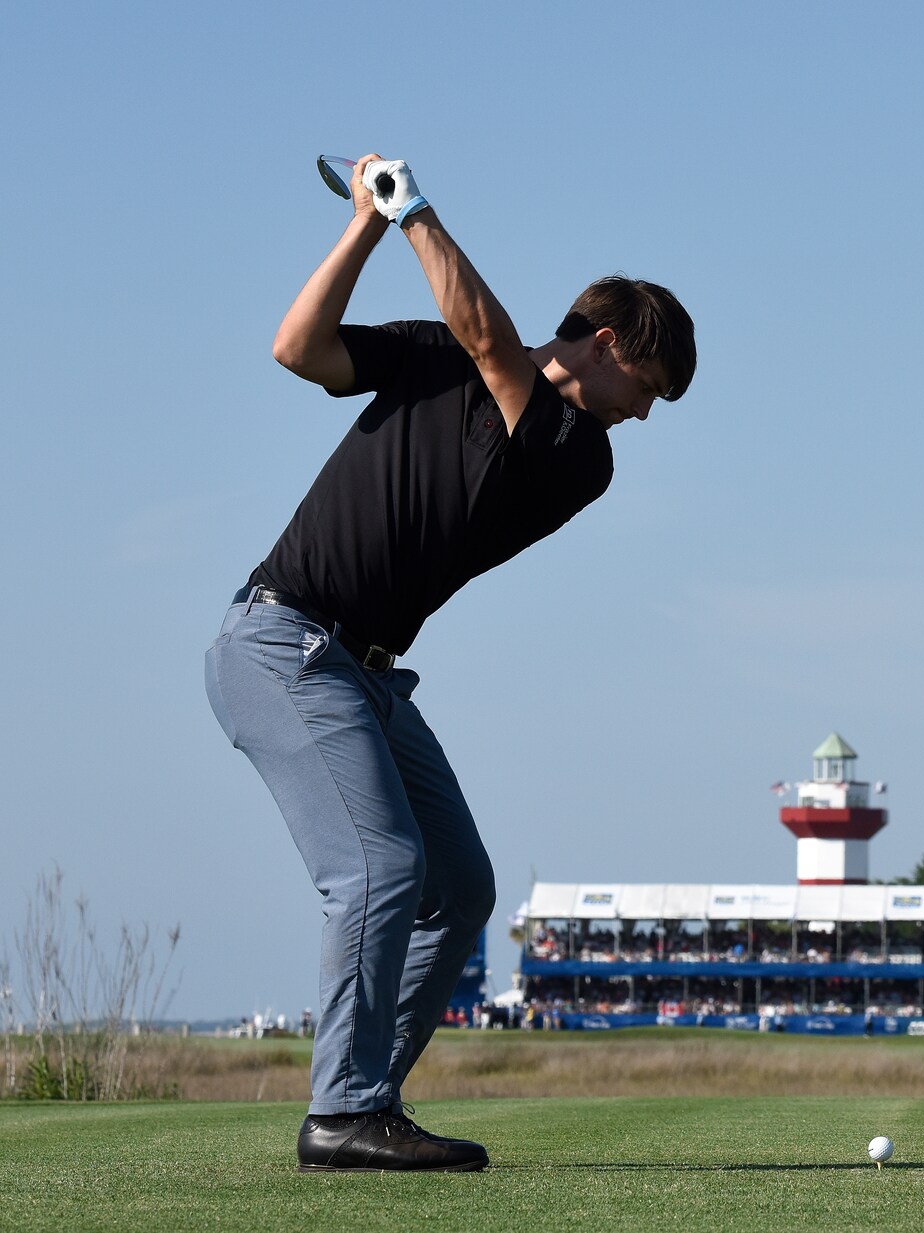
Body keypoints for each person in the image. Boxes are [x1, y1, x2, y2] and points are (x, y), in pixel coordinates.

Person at [205, 154, 695, 1172]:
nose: (641, 415)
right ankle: (344, 1110)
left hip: (367, 679)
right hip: (283, 643)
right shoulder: (435, 352)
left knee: (458, 886)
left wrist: (417, 213)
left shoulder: (577, 455)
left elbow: (487, 342)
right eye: (643, 387)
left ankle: (363, 1100)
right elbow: (298, 350)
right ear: (605, 345)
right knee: (381, 869)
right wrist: (370, 225)